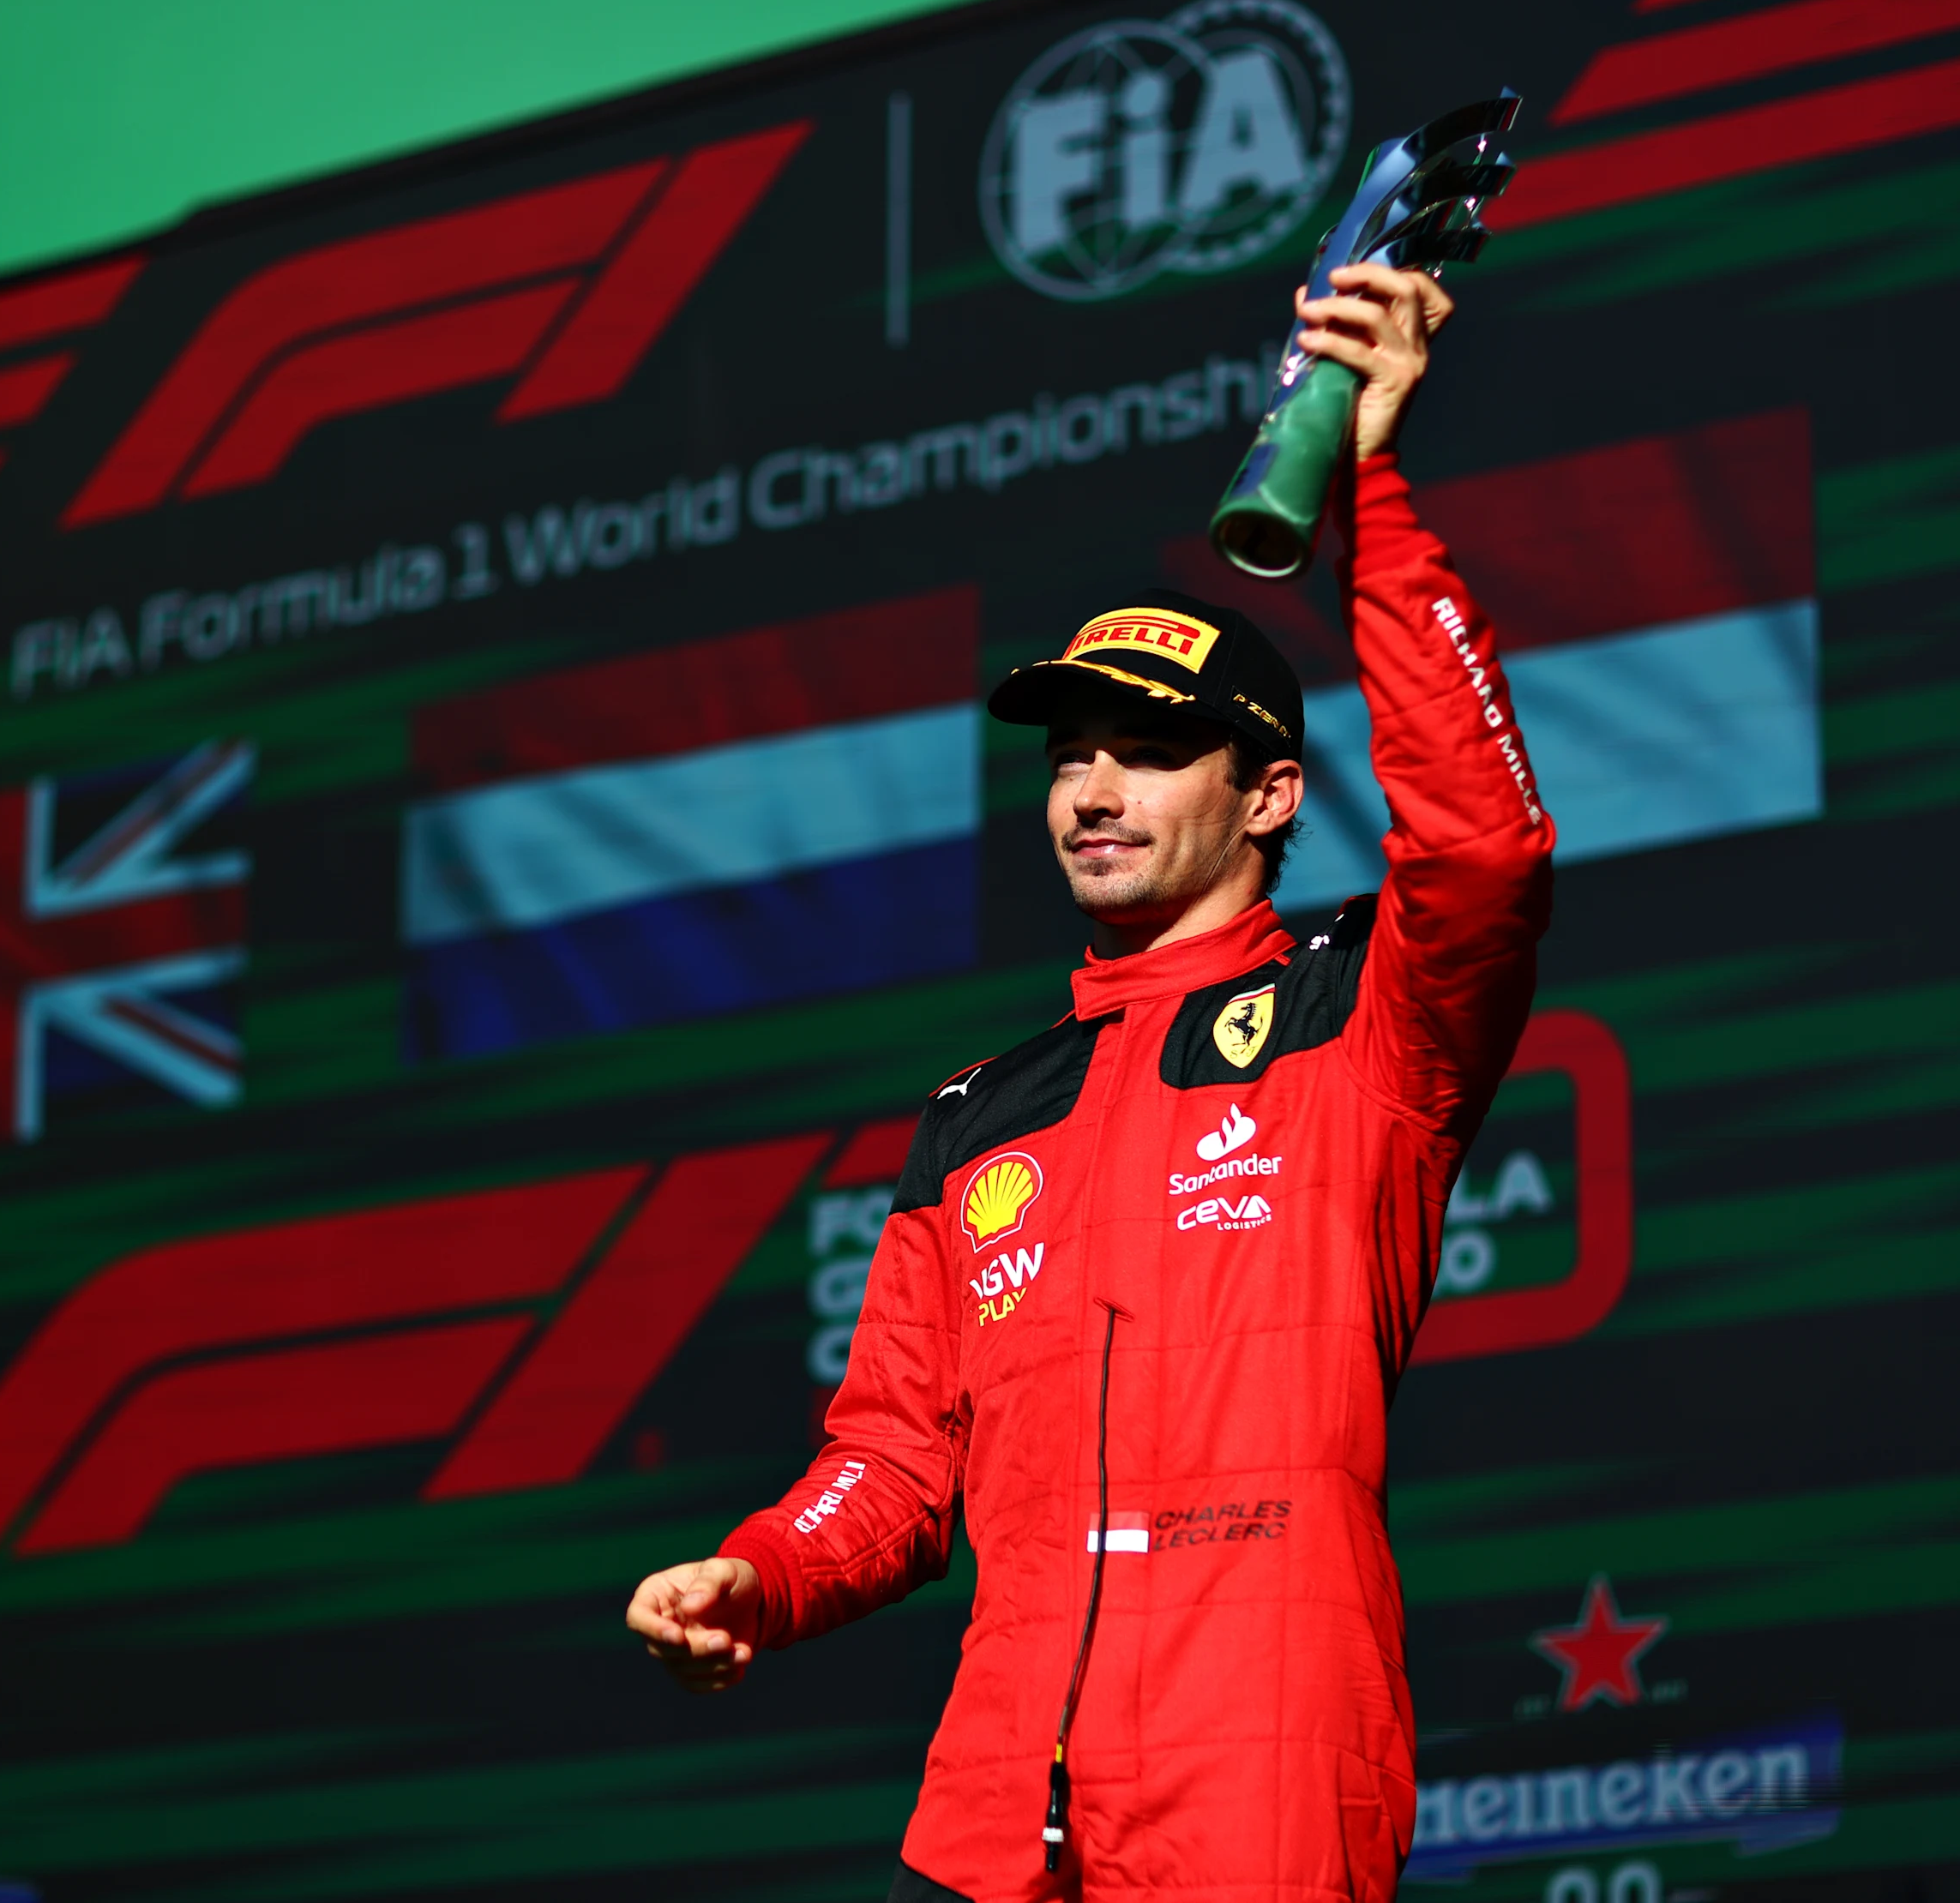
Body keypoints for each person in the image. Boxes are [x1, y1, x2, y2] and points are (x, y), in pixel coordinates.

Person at [625, 263, 1554, 1902]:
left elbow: (1481, 848)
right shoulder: (978, 1114)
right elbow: (898, 1465)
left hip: (1260, 1751)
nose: (1092, 787)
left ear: (1270, 793)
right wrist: (758, 1575)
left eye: (1144, 746)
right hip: (1000, 1797)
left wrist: (1376, 493)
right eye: (1068, 752)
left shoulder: (1368, 1017)